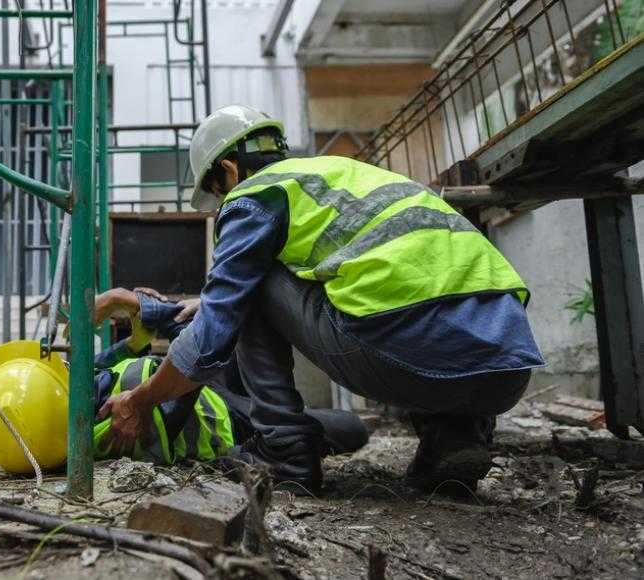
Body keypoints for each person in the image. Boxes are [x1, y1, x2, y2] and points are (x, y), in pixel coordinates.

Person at [96, 105, 545, 494]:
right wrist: (203, 301)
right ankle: (457, 435)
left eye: (216, 193)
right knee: (410, 311)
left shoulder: (253, 194)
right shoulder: (340, 176)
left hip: (413, 357)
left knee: (251, 284)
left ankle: (285, 452)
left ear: (229, 171)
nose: (220, 206)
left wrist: (139, 401)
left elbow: (212, 337)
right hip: (506, 367)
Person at [91, 287, 369, 465]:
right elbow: (191, 364)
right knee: (351, 428)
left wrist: (135, 334)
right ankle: (287, 422)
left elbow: (101, 362)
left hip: (210, 383)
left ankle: (286, 414)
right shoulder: (102, 423)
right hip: (230, 421)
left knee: (246, 299)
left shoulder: (81, 379)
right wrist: (135, 304)